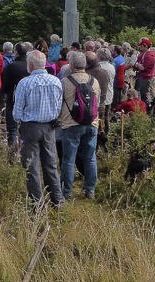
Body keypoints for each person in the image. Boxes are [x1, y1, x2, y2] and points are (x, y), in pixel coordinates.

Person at [13, 50, 64, 208]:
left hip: (30, 127)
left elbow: (17, 112)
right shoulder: (56, 81)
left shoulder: (25, 83)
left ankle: (37, 204)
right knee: (51, 164)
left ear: (30, 65)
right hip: (49, 126)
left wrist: (19, 121)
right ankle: (57, 201)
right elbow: (58, 106)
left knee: (31, 166)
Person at [59, 51, 101, 200]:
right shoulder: (94, 81)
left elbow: (59, 103)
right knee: (90, 158)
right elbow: (98, 103)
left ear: (71, 65)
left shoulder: (65, 82)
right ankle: (90, 190)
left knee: (68, 160)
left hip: (71, 124)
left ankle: (67, 192)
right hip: (92, 123)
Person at [1, 42, 31, 147]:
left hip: (13, 100)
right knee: (25, 129)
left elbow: (6, 86)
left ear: (16, 52)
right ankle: (24, 151)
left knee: (12, 129)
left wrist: (4, 93)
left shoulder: (11, 66)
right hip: (29, 102)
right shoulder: (30, 66)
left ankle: (12, 154)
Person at [135, 38, 155, 107]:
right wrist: (138, 65)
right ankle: (144, 107)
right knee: (142, 93)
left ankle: (148, 108)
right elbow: (137, 63)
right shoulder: (143, 54)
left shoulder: (150, 56)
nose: (140, 48)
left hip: (147, 77)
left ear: (146, 46)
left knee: (145, 95)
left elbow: (143, 68)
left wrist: (138, 65)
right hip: (142, 76)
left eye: (141, 46)